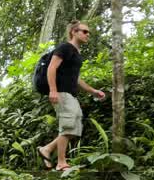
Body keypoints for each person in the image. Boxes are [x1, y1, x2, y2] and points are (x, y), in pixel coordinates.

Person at [38, 21, 105, 171]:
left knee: (74, 127)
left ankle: (47, 149)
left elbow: (76, 79)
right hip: (61, 92)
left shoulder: (77, 54)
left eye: (89, 32)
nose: (88, 35)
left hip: (70, 94)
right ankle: (61, 162)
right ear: (74, 32)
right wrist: (53, 90)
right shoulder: (65, 47)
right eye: (84, 31)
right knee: (68, 125)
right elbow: (51, 68)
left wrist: (93, 91)